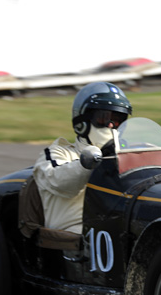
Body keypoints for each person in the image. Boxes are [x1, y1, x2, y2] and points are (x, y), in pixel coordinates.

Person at [30, 82, 132, 234]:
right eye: (104, 118)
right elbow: (59, 182)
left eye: (117, 120)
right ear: (82, 121)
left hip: (116, 224)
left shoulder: (127, 153)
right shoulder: (58, 152)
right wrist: (86, 164)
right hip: (73, 234)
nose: (111, 125)